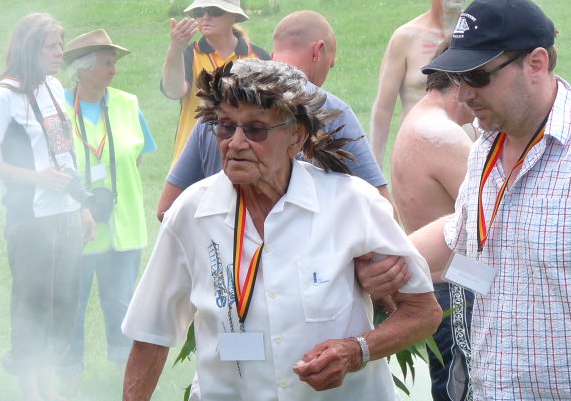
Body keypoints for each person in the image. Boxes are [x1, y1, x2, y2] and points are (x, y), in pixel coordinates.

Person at [122, 58, 442, 401]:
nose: (236, 143)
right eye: (226, 127)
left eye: (255, 129)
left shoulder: (351, 203)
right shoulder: (191, 213)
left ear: (296, 136)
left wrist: (355, 350)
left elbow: (422, 313)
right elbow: (150, 335)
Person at [410, 0, 571, 399]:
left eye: (477, 76)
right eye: (457, 77)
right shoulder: (485, 148)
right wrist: (372, 260)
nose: (463, 93)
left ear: (536, 63)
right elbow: (459, 232)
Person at [157, 10, 393, 221]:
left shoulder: (222, 107)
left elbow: (167, 211)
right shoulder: (329, 109)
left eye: (256, 129)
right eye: (331, 63)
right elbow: (383, 211)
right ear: (318, 51)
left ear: (273, 53)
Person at [0, 13, 95, 401]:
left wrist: (80, 206)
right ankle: (35, 394)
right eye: (52, 46)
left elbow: (65, 152)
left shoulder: (53, 86)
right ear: (31, 48)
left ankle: (50, 391)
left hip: (65, 214)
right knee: (34, 312)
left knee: (63, 310)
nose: (59, 52)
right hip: (30, 220)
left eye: (60, 44)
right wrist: (37, 179)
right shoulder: (3, 96)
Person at [56, 30, 157, 385]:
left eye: (114, 63)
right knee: (70, 306)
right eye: (107, 63)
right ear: (82, 69)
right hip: (75, 228)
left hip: (123, 226)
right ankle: (66, 378)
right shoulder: (59, 109)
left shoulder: (128, 103)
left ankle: (123, 376)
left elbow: (137, 158)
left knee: (122, 305)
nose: (114, 70)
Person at [392, 39, 475, 401]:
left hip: (441, 286)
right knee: (462, 393)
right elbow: (497, 216)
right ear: (462, 80)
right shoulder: (442, 134)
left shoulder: (421, 118)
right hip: (453, 287)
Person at [370, 0, 478, 168]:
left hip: (469, 154)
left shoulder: (477, 34)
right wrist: (375, 172)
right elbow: (383, 108)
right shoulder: (406, 37)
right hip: (418, 151)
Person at [161, 0, 270, 162]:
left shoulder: (259, 57)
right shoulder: (188, 54)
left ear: (233, 16)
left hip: (244, 158)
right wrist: (175, 49)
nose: (205, 17)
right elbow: (173, 91)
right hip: (194, 163)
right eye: (199, 11)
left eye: (214, 11)